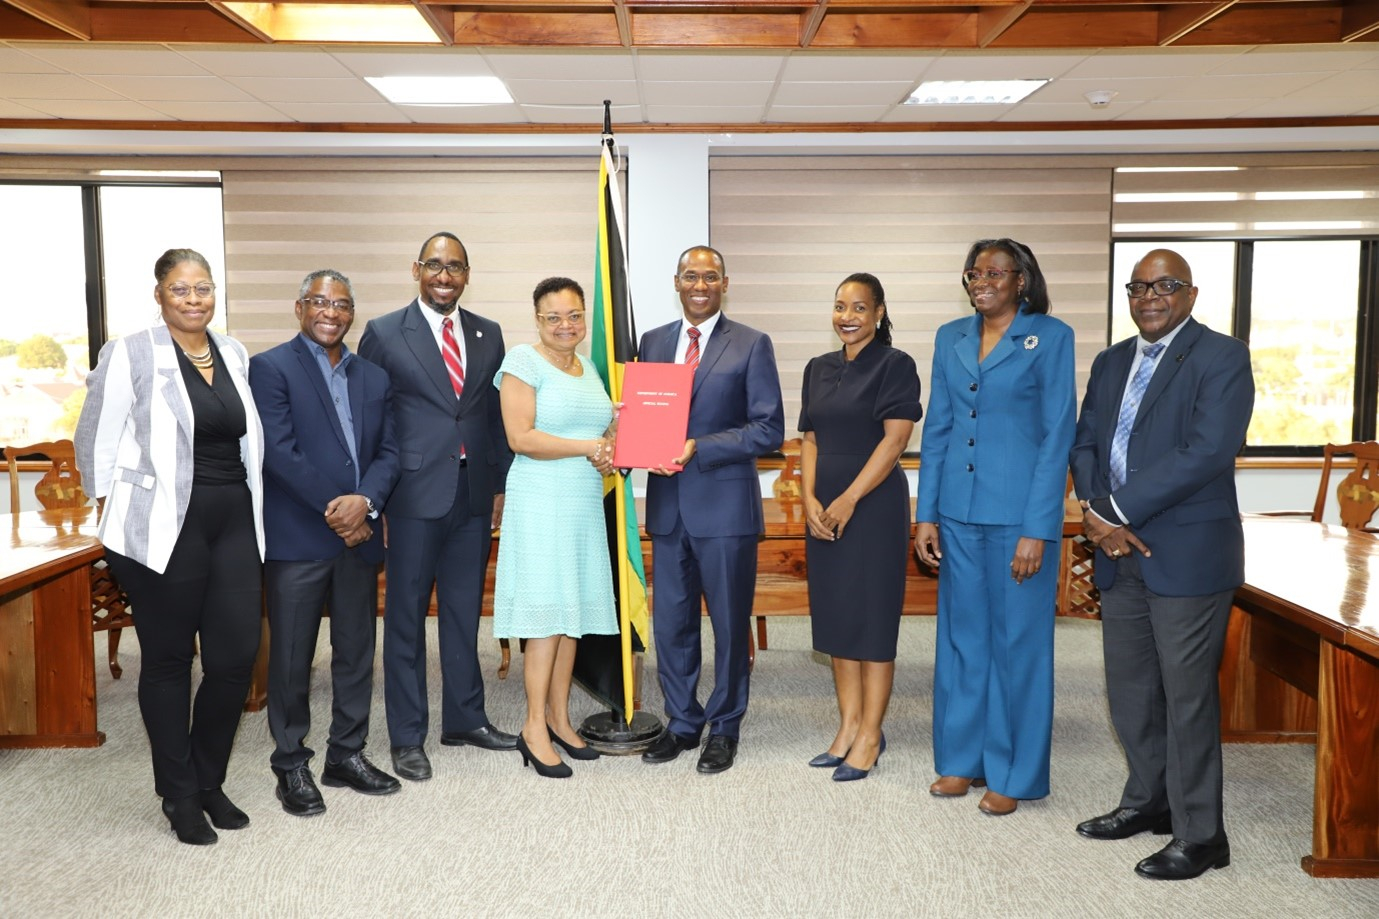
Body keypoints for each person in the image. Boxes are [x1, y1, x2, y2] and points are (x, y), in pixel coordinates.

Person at [1069, 248, 1254, 880]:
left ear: (1192, 294)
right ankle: (1148, 802)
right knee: (1130, 692)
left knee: (1186, 697)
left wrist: (1115, 509)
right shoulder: (1112, 360)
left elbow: (1206, 451)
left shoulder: (1221, 357)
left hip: (1188, 553)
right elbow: (1086, 438)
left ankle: (1202, 835)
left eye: (1165, 285)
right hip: (1118, 551)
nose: (1150, 296)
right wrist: (1098, 515)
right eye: (1139, 286)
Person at [75, 248, 265, 846]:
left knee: (234, 659)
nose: (193, 298)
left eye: (203, 288)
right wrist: (108, 512)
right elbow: (95, 435)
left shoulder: (233, 353)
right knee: (167, 660)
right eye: (180, 289)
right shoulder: (129, 352)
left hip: (233, 516)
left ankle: (209, 780)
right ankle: (178, 794)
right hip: (160, 525)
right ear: (159, 294)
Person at [914, 238, 1076, 817]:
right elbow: (938, 427)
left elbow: (1058, 434)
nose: (981, 281)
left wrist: (1039, 526)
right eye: (973, 272)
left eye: (995, 272)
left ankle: (1014, 772)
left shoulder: (1050, 337)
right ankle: (961, 760)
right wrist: (925, 513)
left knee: (1018, 645)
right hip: (957, 513)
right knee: (962, 641)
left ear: (1021, 280)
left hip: (1018, 519)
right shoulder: (948, 337)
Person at [358, 232, 516, 782]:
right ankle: (407, 736)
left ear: (467, 274)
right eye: (434, 265)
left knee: (463, 611)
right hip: (410, 496)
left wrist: (498, 487)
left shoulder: (488, 333)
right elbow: (368, 420)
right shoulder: (382, 333)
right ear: (416, 270)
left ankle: (466, 719)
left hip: (472, 496)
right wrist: (372, 500)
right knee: (404, 618)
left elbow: (492, 417)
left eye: (454, 267)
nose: (444, 276)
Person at [249, 269, 402, 816]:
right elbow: (279, 453)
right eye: (319, 302)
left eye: (340, 304)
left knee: (357, 652)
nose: (330, 312)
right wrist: (342, 509)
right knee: (292, 658)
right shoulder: (269, 368)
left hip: (358, 536)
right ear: (299, 308)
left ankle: (346, 754)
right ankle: (290, 763)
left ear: (352, 312)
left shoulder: (373, 376)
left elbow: (389, 452)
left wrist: (366, 502)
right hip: (300, 537)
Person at [638, 245, 785, 775]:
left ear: (726, 282)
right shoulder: (653, 341)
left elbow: (769, 428)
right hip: (668, 507)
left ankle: (724, 726)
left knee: (727, 624)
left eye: (710, 276)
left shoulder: (751, 343)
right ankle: (681, 721)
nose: (700, 284)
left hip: (725, 509)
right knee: (671, 623)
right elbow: (641, 413)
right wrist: (635, 442)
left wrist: (701, 445)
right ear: (675, 282)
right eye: (690, 276)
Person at [492, 277, 619, 778]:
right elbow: (520, 437)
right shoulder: (522, 361)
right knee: (546, 618)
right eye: (554, 317)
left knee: (571, 617)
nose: (566, 326)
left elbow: (597, 432)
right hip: (541, 499)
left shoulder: (588, 367)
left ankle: (561, 720)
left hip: (583, 501)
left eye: (574, 316)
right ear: (537, 320)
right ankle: (532, 727)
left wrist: (610, 447)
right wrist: (590, 447)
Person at [800, 273, 921, 782]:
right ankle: (848, 725)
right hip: (822, 507)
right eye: (839, 307)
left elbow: (894, 442)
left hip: (871, 508)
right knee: (838, 621)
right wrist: (809, 498)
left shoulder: (896, 366)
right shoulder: (818, 368)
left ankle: (871, 733)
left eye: (858, 308)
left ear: (878, 312)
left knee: (871, 622)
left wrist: (848, 498)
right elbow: (809, 438)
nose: (847, 316)